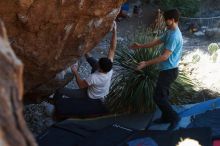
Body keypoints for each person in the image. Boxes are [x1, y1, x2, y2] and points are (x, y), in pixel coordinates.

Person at [130, 9, 183, 130]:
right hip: (167, 70)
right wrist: (140, 46)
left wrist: (146, 63)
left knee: (158, 97)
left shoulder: (175, 36)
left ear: (173, 20)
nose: (165, 21)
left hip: (169, 71)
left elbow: (164, 57)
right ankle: (166, 117)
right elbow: (157, 42)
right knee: (163, 95)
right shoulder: (170, 31)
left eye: (166, 19)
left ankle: (174, 117)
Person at [53, 21, 117, 117]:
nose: (98, 62)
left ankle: (56, 103)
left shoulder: (94, 77)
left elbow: (81, 85)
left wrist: (75, 72)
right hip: (101, 91)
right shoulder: (109, 68)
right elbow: (112, 49)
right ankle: (85, 52)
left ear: (100, 68)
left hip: (90, 95)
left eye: (99, 63)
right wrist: (115, 31)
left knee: (60, 90)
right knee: (93, 62)